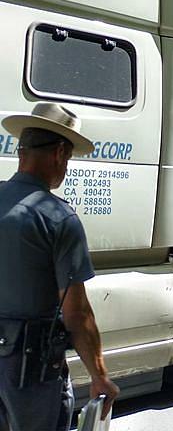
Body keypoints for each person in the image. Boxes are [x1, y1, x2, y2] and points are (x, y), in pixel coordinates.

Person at [0, 103, 119, 431]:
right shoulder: (58, 219)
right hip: (30, 371)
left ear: (21, 152)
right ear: (59, 154)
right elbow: (77, 314)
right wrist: (99, 376)